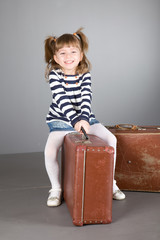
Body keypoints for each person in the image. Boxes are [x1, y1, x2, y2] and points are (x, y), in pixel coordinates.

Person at [44, 28, 125, 207]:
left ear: (80, 55)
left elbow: (86, 98)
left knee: (110, 138)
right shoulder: (55, 75)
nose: (68, 56)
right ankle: (56, 189)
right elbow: (62, 100)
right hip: (61, 120)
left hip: (85, 117)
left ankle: (111, 184)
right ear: (56, 58)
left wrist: (84, 120)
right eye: (63, 53)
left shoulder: (84, 74)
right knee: (49, 151)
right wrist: (75, 122)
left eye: (73, 52)